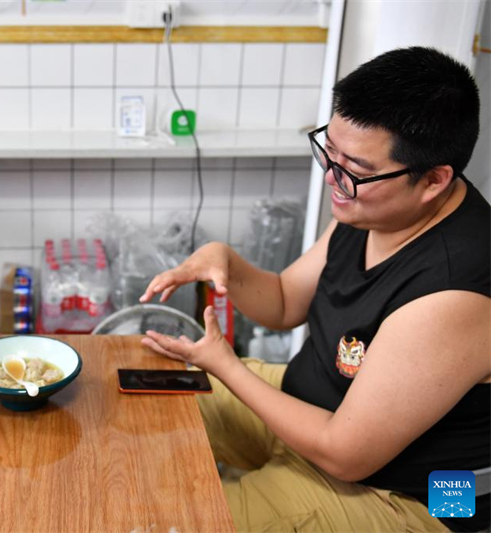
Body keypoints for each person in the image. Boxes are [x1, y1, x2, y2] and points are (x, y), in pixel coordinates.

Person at [139, 46, 490, 533]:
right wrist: (227, 262)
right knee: (141, 394)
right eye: (331, 151)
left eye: (356, 170)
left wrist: (225, 365)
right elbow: (284, 301)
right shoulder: (375, 206)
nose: (332, 177)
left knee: (171, 519)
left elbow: (345, 456)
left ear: (433, 180)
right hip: (310, 416)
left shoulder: (456, 291)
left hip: (398, 495)